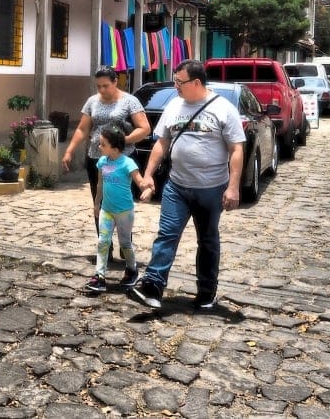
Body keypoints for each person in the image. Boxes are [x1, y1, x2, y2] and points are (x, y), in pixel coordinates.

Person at [130, 59, 246, 311]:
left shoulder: (224, 109)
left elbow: (236, 148)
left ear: (196, 82)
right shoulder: (174, 106)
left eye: (179, 82)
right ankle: (152, 286)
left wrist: (233, 186)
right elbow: (162, 142)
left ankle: (206, 292)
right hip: (176, 186)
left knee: (207, 241)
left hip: (211, 188)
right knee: (167, 235)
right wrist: (148, 173)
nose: (176, 86)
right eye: (175, 81)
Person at [61, 66, 151, 253]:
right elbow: (83, 128)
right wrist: (70, 150)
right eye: (98, 86)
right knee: (100, 200)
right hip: (97, 158)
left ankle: (125, 246)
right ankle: (105, 246)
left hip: (122, 160)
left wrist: (120, 141)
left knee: (121, 201)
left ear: (115, 82)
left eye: (106, 86)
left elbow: (144, 128)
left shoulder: (129, 101)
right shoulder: (92, 102)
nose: (102, 90)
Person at [85, 125, 151, 293]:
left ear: (114, 147)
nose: (99, 147)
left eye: (102, 144)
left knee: (125, 243)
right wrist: (96, 203)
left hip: (124, 212)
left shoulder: (127, 163)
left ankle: (132, 269)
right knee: (103, 242)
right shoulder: (102, 162)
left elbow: (140, 181)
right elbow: (100, 184)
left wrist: (147, 189)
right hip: (106, 210)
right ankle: (99, 276)